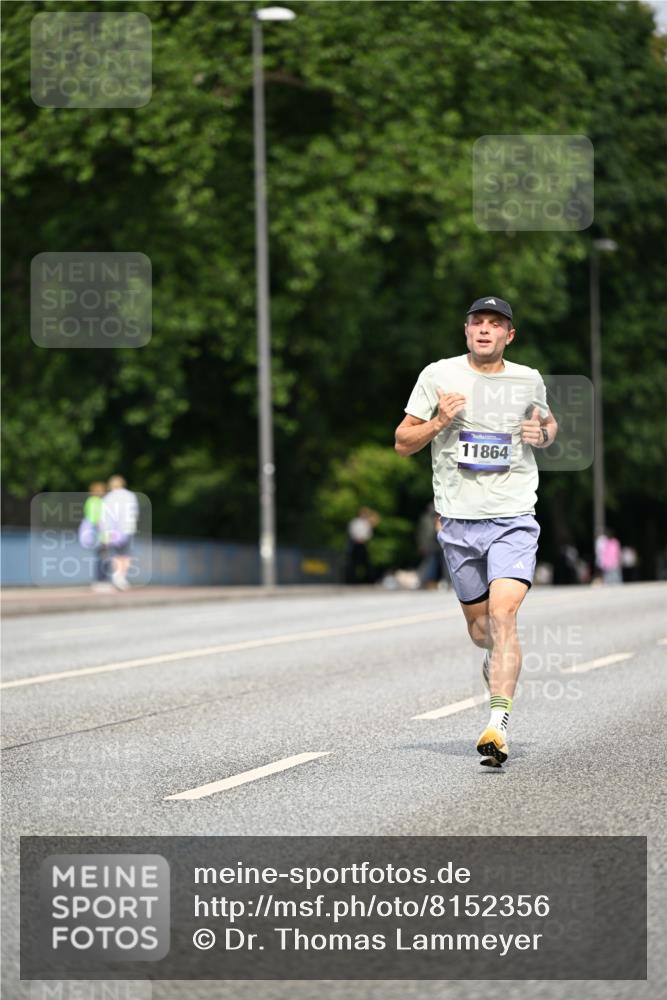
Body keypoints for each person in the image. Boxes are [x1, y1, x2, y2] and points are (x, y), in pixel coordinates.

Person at [395, 296, 558, 767]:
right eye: (477, 323)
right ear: (467, 331)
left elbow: (546, 425)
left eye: (495, 324)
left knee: (505, 615)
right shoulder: (438, 375)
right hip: (458, 521)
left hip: (513, 516)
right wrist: (441, 420)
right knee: (481, 629)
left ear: (510, 335)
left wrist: (541, 434)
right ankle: (494, 658)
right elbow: (403, 442)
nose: (485, 330)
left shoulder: (528, 379)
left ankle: (497, 723)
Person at [100, 475, 139, 591]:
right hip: (127, 528)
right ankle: (121, 577)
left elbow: (104, 516)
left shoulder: (108, 497)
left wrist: (104, 530)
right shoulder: (130, 496)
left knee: (116, 554)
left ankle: (117, 575)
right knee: (125, 555)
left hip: (112, 530)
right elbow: (134, 512)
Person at [81, 481, 112, 591]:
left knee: (102, 558)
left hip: (100, 534)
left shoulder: (93, 501)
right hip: (99, 534)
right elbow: (95, 519)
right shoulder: (95, 502)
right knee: (103, 558)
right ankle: (101, 581)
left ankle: (101, 581)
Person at [344, 507, 380, 584]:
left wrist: (363, 539)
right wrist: (358, 538)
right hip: (354, 544)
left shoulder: (367, 523)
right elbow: (352, 532)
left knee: (366, 563)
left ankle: (368, 580)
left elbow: (369, 534)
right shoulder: (354, 522)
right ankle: (351, 580)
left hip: (363, 544)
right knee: (352, 563)